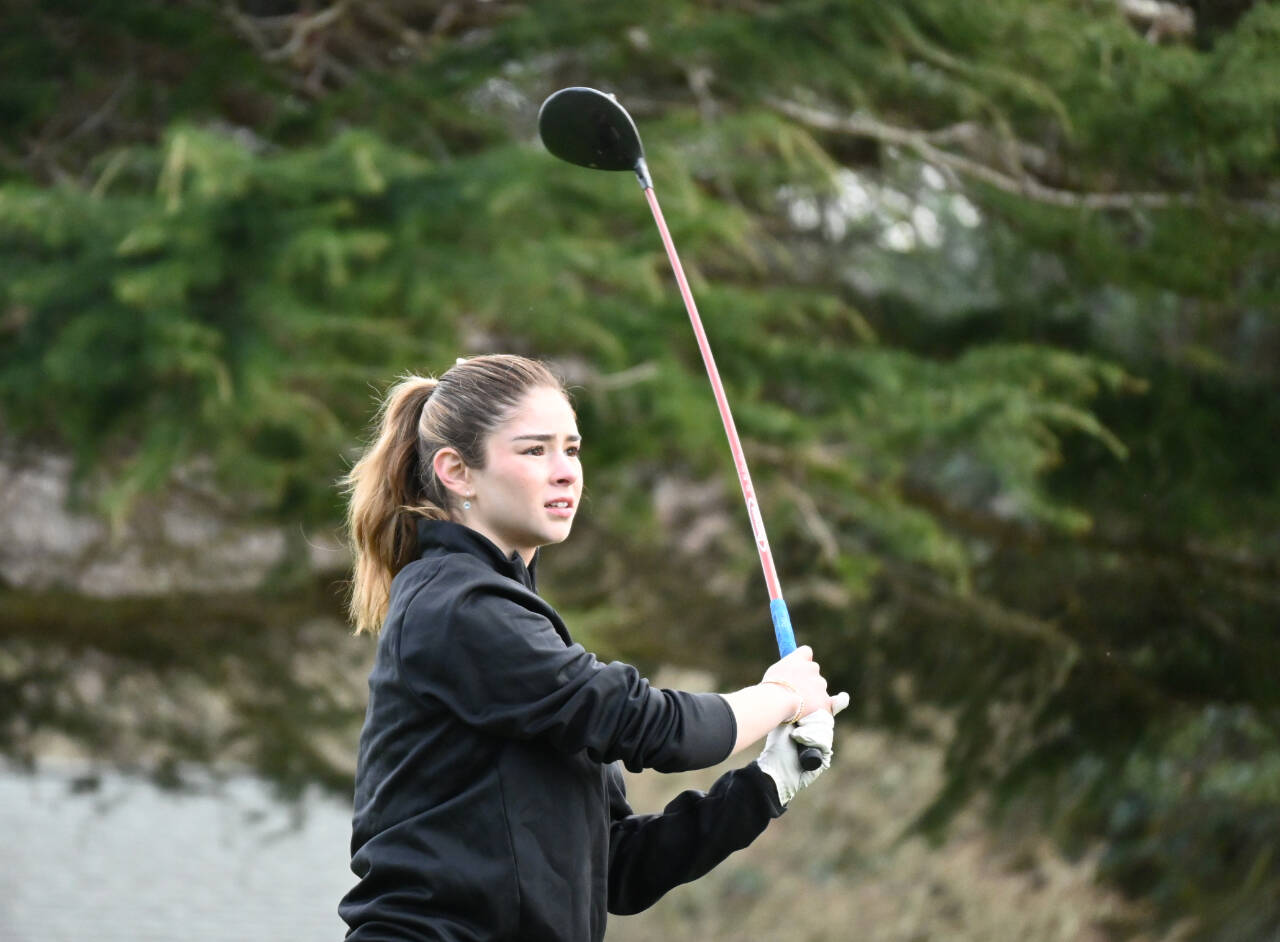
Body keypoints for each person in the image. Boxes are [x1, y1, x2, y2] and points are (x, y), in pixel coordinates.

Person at [338, 354, 848, 941]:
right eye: (535, 451)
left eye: (572, 450)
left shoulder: (515, 624)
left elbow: (617, 870)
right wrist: (780, 695)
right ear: (457, 471)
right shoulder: (454, 606)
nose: (566, 473)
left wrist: (770, 781)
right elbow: (649, 726)